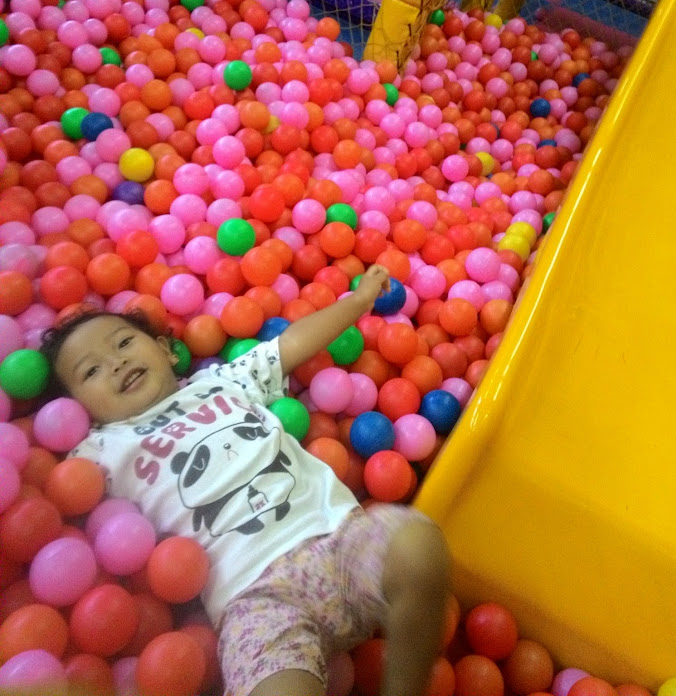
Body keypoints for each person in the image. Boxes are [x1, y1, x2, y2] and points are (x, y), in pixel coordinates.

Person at [40, 264, 451, 696]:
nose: (116, 362)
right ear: (78, 410)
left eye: (124, 342)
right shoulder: (103, 449)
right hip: (252, 600)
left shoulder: (220, 383)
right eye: (90, 372)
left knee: (418, 546)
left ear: (166, 350)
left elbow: (290, 344)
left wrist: (360, 301)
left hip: (340, 538)